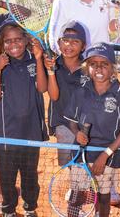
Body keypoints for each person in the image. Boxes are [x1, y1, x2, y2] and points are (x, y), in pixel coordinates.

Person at [49, 0, 120, 205]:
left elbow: (113, 25)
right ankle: (77, 184)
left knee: (109, 124)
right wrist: (72, 55)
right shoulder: (62, 2)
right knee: (76, 126)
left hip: (105, 70)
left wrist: (118, 27)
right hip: (76, 74)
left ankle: (110, 185)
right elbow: (53, 38)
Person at [63, 42, 120, 217]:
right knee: (76, 196)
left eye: (104, 64)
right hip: (81, 153)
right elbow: (71, 122)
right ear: (87, 67)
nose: (99, 68)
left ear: (112, 68)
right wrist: (77, 133)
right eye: (93, 64)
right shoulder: (80, 92)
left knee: (103, 198)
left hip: (108, 155)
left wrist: (105, 155)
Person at [0, 18, 50, 217]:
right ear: (1, 44)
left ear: (25, 40)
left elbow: (42, 88)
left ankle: (30, 208)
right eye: (8, 41)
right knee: (6, 177)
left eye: (17, 39)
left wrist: (39, 58)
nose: (13, 44)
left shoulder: (34, 60)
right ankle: (8, 210)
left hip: (31, 130)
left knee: (29, 174)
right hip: (6, 133)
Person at [44, 20, 87, 166]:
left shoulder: (90, 68)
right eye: (65, 41)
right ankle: (75, 189)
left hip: (85, 124)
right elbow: (54, 96)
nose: (69, 45)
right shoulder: (52, 65)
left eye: (75, 41)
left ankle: (81, 189)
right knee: (69, 165)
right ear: (59, 42)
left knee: (85, 164)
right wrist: (51, 71)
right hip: (62, 124)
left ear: (84, 46)